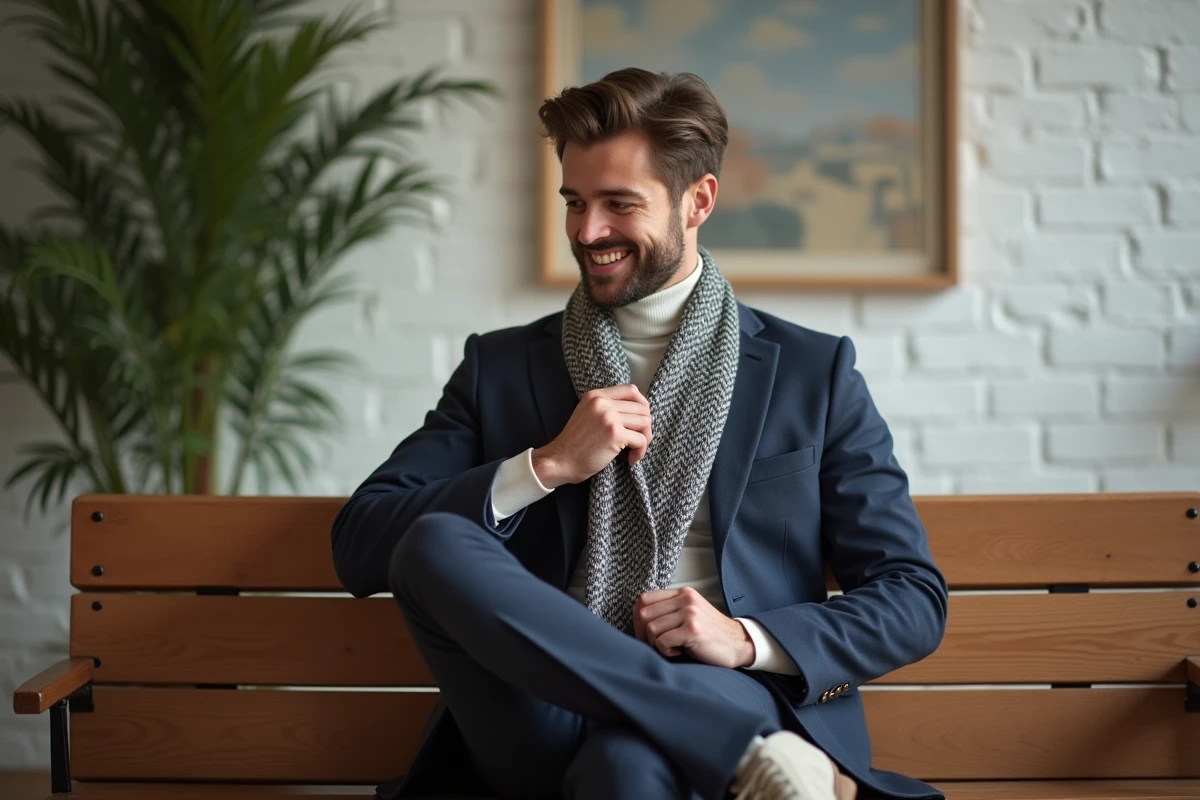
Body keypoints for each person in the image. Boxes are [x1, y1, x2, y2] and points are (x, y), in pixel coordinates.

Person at [331, 68, 947, 800]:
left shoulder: (812, 374)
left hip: (728, 684)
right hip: (535, 708)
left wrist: (744, 639)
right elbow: (362, 543)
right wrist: (547, 465)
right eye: (575, 203)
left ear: (699, 201)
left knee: (626, 770)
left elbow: (911, 598)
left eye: (619, 204)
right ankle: (747, 755)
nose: (588, 233)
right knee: (434, 538)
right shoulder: (499, 368)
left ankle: (723, 737)